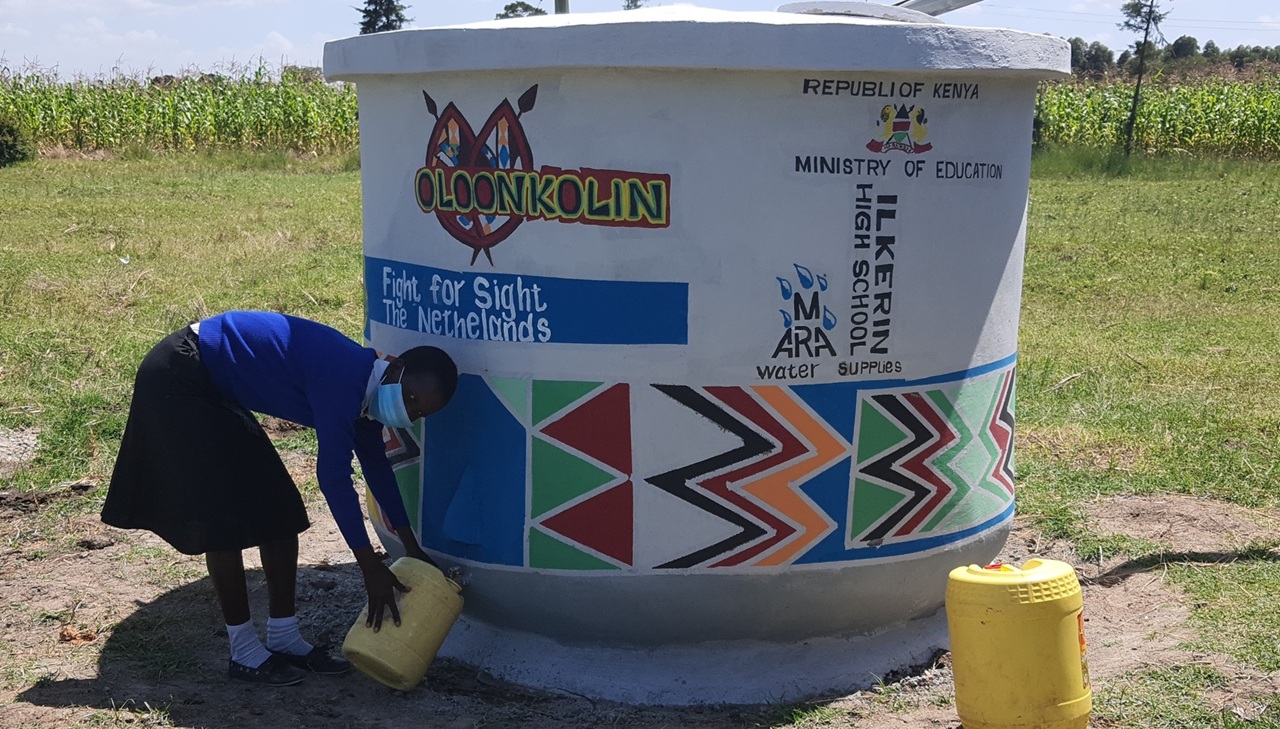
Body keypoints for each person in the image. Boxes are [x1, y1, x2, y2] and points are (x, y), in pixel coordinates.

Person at [101, 310, 457, 687]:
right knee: (223, 520)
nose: (408, 409)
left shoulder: (368, 400)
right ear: (395, 366)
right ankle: (243, 653)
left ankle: (284, 637)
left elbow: (378, 469)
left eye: (418, 411)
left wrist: (411, 549)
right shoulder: (345, 378)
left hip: (217, 386)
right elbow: (334, 478)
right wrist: (369, 565)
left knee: (281, 514)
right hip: (183, 373)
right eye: (410, 396)